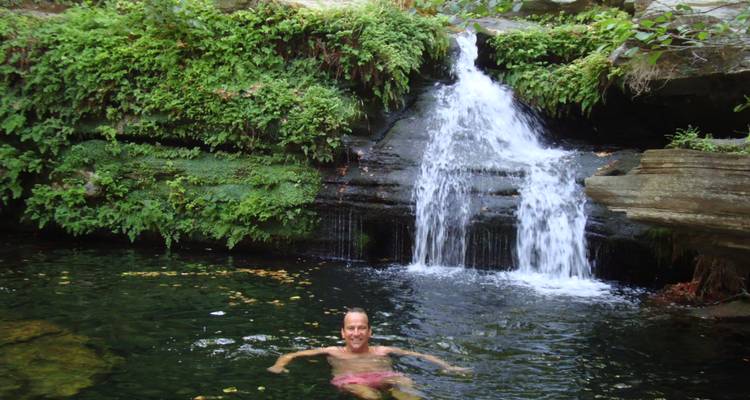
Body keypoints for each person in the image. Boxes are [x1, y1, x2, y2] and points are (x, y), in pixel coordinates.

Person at [267, 307, 470, 400]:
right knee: (371, 396)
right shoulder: (333, 351)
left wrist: (449, 367)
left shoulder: (383, 350)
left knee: (407, 390)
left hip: (386, 377)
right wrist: (279, 365)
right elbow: (293, 354)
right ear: (343, 332)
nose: (356, 333)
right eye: (352, 328)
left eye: (361, 328)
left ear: (369, 332)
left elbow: (420, 356)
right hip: (352, 380)